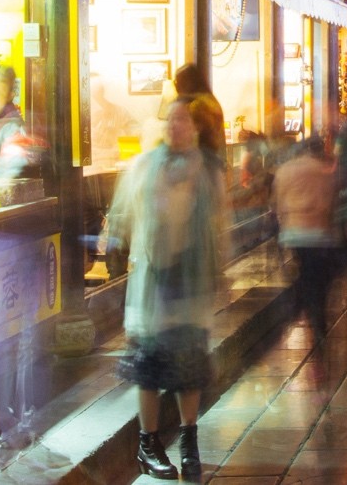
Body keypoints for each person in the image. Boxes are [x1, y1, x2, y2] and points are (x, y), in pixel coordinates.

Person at [108, 99, 229, 481]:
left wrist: (219, 273)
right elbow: (123, 216)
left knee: (188, 366)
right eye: (171, 119)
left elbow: (219, 224)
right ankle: (148, 443)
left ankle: (189, 441)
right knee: (150, 365)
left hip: (190, 283)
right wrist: (115, 243)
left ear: (195, 127)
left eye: (183, 119)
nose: (175, 125)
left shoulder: (208, 170)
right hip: (153, 283)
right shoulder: (144, 167)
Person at [272, 136, 342, 342]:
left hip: (294, 233)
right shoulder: (323, 171)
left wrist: (284, 225)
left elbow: (278, 204)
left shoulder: (284, 170)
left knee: (305, 270)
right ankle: (315, 312)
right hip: (319, 234)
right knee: (317, 277)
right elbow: (331, 202)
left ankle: (303, 304)